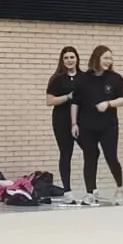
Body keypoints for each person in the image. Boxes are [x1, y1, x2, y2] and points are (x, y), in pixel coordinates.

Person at [74, 44, 123, 203]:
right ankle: (90, 192)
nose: (108, 61)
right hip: (87, 125)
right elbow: (75, 102)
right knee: (90, 157)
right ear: (96, 58)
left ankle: (119, 188)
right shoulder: (83, 79)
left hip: (108, 125)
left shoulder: (115, 78)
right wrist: (74, 123)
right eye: (105, 58)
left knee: (111, 156)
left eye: (110, 58)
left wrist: (108, 104)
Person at [45, 45, 83, 192]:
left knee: (90, 151)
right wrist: (68, 97)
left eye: (72, 57)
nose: (69, 60)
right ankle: (67, 190)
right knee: (66, 154)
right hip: (61, 120)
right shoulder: (57, 79)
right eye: (66, 58)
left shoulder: (84, 77)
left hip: (81, 120)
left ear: (77, 59)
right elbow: (50, 101)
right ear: (62, 60)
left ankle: (91, 190)